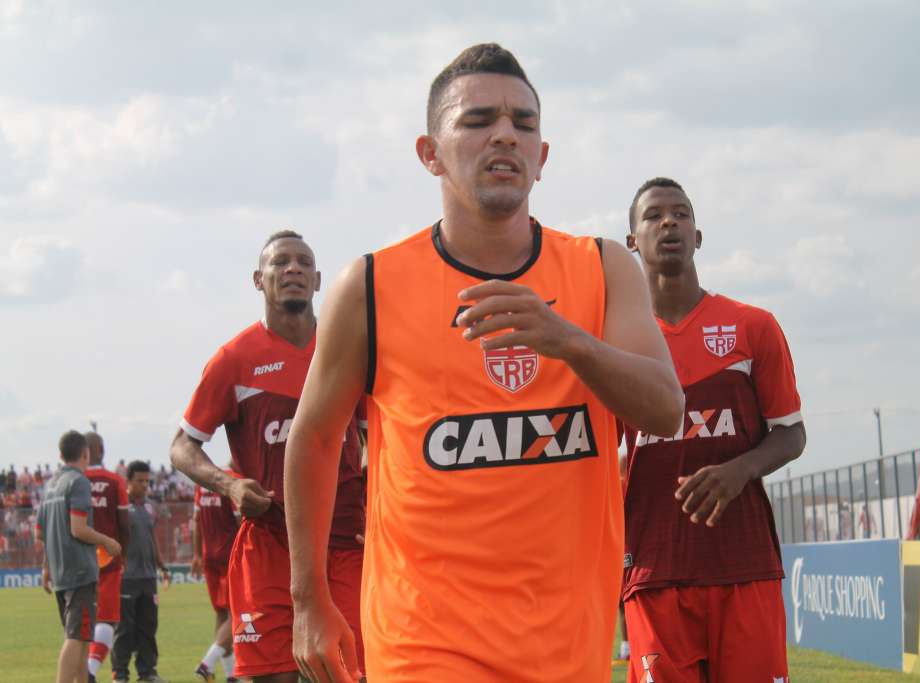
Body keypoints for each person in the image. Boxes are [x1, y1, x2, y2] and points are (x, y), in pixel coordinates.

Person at [283, 43, 684, 683]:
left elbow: (666, 410)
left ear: (542, 158)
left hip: (567, 648)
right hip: (423, 643)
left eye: (524, 124)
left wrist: (569, 341)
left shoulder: (603, 268)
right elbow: (316, 436)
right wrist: (308, 599)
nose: (505, 134)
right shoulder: (372, 284)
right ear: (430, 153)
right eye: (477, 121)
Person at [621, 177, 806, 682]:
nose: (669, 222)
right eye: (654, 215)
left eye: (681, 213)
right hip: (655, 569)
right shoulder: (616, 343)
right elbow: (601, 452)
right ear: (632, 240)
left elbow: (791, 433)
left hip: (743, 564)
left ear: (698, 235)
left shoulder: (753, 326)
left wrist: (739, 470)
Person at [170, 230, 366, 683]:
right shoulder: (234, 360)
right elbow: (182, 445)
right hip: (269, 544)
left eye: (302, 263)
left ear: (318, 280)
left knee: (351, 673)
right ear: (259, 279)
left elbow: (377, 434)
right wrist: (230, 484)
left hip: (343, 544)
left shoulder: (349, 349)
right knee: (271, 678)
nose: (292, 269)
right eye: (280, 263)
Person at [37, 430, 122, 683]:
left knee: (83, 638)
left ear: (60, 455)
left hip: (61, 572)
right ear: (85, 453)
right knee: (75, 637)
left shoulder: (50, 485)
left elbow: (42, 533)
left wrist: (45, 568)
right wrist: (107, 541)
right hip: (80, 572)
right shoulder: (79, 482)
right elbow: (78, 528)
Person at [111, 460, 170, 683]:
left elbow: (152, 539)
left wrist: (162, 565)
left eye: (147, 481)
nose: (145, 485)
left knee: (148, 627)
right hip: (127, 577)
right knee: (125, 628)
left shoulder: (149, 507)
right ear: (128, 481)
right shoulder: (121, 506)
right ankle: (120, 673)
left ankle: (147, 672)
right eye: (140, 481)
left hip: (148, 577)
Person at [83, 432, 132, 683]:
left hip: (78, 560)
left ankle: (80, 671)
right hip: (107, 558)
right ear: (101, 448)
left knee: (80, 623)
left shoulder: (73, 479)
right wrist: (123, 552)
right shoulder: (114, 481)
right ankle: (90, 671)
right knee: (107, 618)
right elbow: (124, 522)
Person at [191, 464, 241, 682]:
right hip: (230, 555)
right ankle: (207, 663)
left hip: (209, 556)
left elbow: (196, 520)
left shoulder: (203, 482)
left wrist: (196, 555)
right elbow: (241, 520)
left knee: (222, 614)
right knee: (237, 613)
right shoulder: (231, 480)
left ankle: (230, 675)